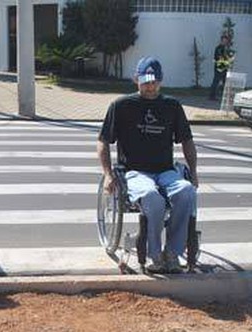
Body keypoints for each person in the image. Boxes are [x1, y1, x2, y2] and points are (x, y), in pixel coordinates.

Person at [97, 56, 198, 274]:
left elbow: (187, 141)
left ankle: (172, 253)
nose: (150, 86)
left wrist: (195, 172)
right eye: (145, 82)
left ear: (160, 81)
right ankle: (155, 255)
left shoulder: (172, 106)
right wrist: (107, 174)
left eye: (154, 82)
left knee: (187, 192)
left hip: (165, 171)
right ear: (136, 80)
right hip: (134, 172)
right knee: (153, 197)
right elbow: (103, 141)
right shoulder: (121, 106)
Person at [209, 35, 234, 100]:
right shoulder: (219, 48)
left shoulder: (224, 48)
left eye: (226, 40)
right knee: (216, 82)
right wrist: (227, 60)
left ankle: (225, 97)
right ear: (222, 40)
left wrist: (229, 60)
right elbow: (219, 57)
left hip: (224, 67)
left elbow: (225, 57)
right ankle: (212, 96)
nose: (225, 41)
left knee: (225, 82)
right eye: (224, 40)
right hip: (219, 67)